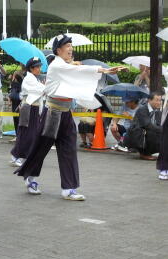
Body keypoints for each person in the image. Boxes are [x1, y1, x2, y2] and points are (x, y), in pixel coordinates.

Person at [14, 34, 123, 201]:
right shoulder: (57, 66)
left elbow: (75, 70)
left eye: (71, 46)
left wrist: (88, 67)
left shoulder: (65, 64)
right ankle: (30, 176)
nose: (71, 49)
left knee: (69, 150)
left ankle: (69, 188)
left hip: (65, 114)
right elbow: (77, 70)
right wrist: (103, 70)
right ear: (58, 50)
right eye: (67, 46)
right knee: (41, 148)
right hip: (52, 114)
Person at [10, 57, 45, 167]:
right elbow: (39, 90)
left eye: (39, 67)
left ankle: (18, 155)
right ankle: (18, 156)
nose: (39, 69)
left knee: (30, 133)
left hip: (33, 108)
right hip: (29, 108)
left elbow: (41, 90)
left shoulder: (33, 78)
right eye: (37, 67)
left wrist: (43, 87)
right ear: (31, 68)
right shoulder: (29, 79)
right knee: (26, 133)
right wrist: (44, 87)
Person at [125, 91, 163, 160]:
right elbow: (147, 125)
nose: (159, 102)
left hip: (144, 134)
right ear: (149, 100)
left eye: (160, 100)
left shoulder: (158, 111)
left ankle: (154, 151)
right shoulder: (142, 109)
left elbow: (159, 124)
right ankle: (144, 153)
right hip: (135, 135)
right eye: (157, 100)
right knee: (152, 131)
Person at [9, 64, 25, 138]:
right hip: (15, 101)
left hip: (20, 101)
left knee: (19, 119)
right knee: (15, 118)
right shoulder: (17, 73)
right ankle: (17, 135)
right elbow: (12, 90)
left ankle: (20, 135)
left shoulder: (27, 75)